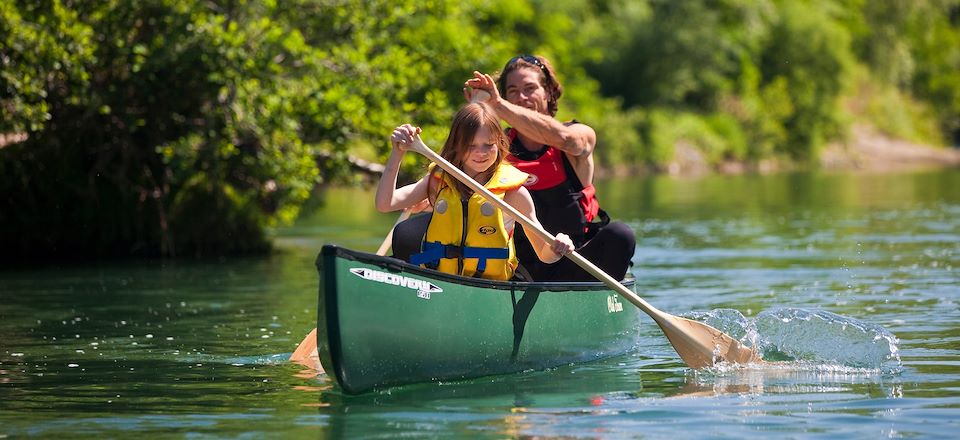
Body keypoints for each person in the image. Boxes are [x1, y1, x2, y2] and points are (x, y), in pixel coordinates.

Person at [463, 55, 636, 282]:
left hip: (576, 265)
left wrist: (497, 106)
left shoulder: (578, 134)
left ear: (548, 93)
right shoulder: (494, 148)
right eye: (512, 90)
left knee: (621, 235)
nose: (521, 97)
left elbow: (566, 140)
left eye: (530, 88)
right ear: (504, 96)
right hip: (517, 270)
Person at [376, 102, 574, 281]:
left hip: (489, 287)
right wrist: (397, 153)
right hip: (439, 281)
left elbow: (543, 254)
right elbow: (385, 203)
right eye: (471, 146)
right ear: (457, 146)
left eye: (489, 145)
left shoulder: (515, 195)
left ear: (499, 143)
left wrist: (557, 247)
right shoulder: (440, 181)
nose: (481, 153)